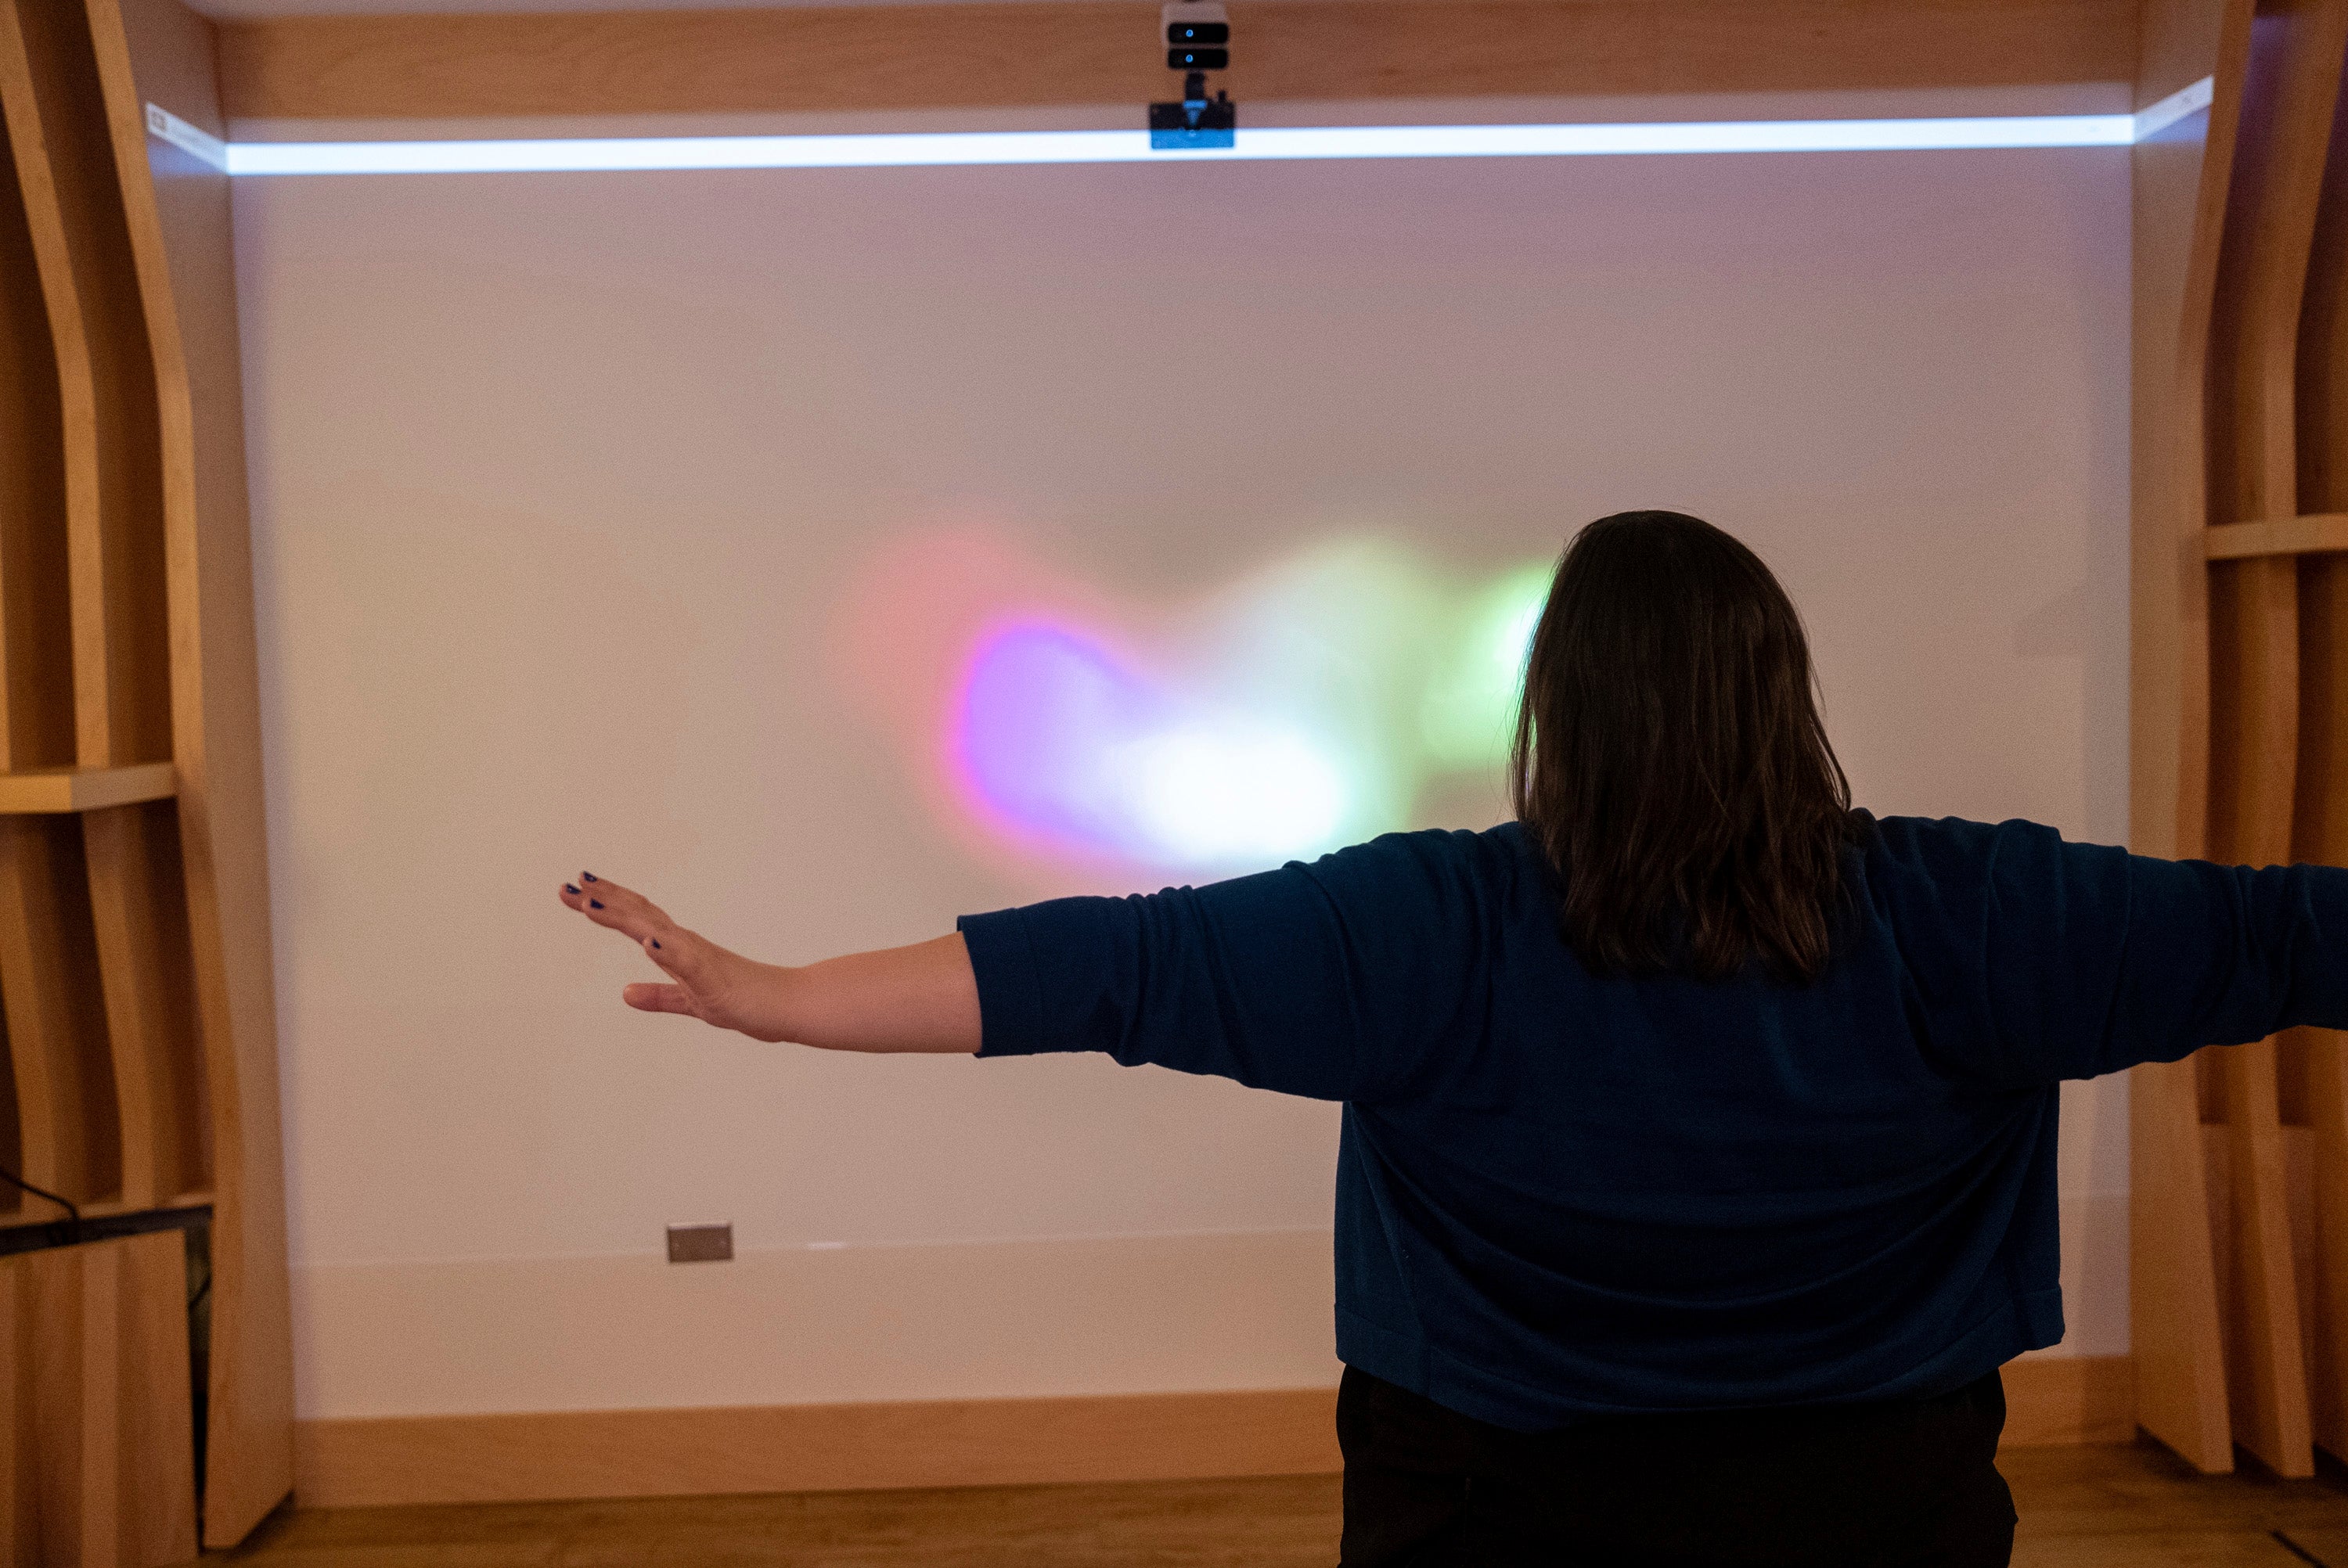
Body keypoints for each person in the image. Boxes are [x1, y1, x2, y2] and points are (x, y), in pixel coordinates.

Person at [560, 510, 2348, 1566]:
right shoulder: (1977, 916)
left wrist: (772, 995)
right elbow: (2297, 935)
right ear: (1784, 697)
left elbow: (1108, 968)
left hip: (1499, 1519)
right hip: (1870, 1512)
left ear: (1553, 707)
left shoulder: (1436, 923)